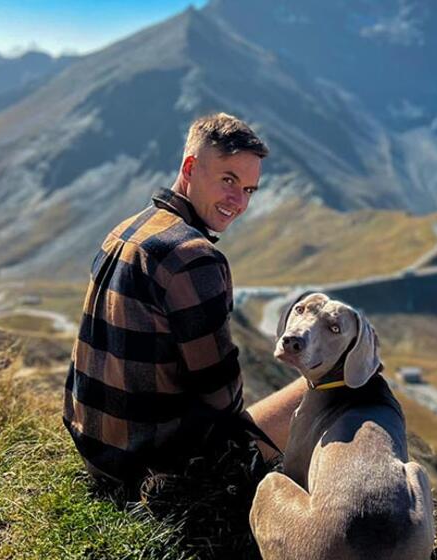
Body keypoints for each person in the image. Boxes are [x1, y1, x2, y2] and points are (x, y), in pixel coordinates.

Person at [63, 113, 306, 496]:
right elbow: (222, 400)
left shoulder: (126, 229)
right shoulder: (192, 256)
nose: (239, 202)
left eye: (249, 189)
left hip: (95, 452)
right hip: (153, 474)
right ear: (190, 168)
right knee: (329, 385)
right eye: (228, 180)